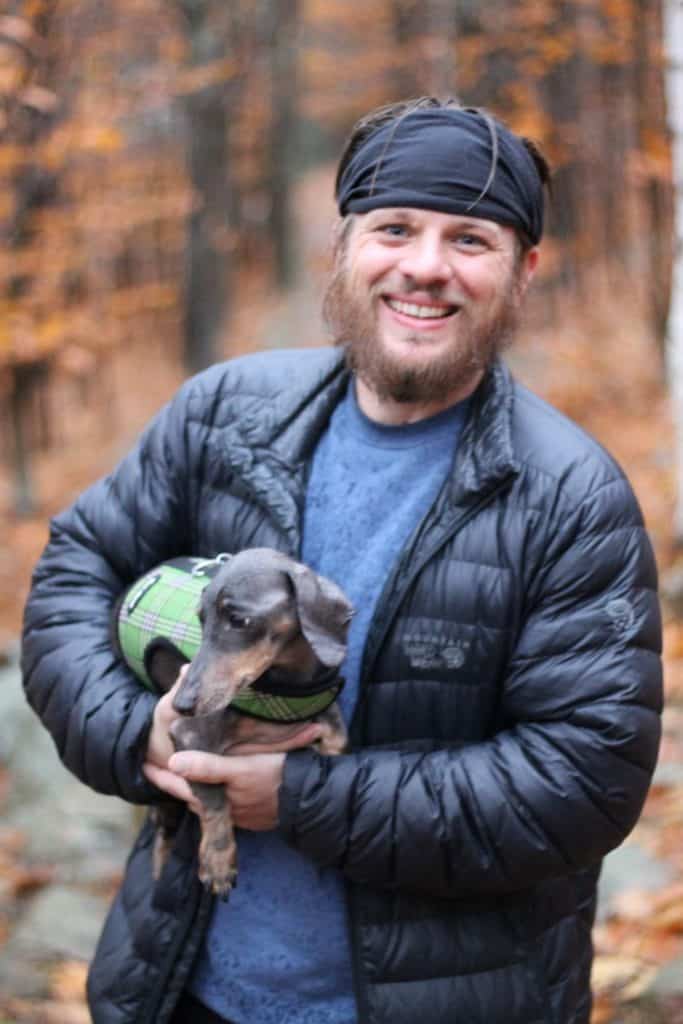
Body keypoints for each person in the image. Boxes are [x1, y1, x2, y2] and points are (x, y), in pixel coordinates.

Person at [21, 97, 662, 1024]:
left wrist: (300, 798)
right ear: (345, 244)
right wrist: (138, 735)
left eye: (470, 240)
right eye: (394, 227)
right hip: (183, 989)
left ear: (524, 269)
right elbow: (74, 572)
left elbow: (581, 781)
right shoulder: (223, 415)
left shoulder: (569, 497)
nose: (425, 267)